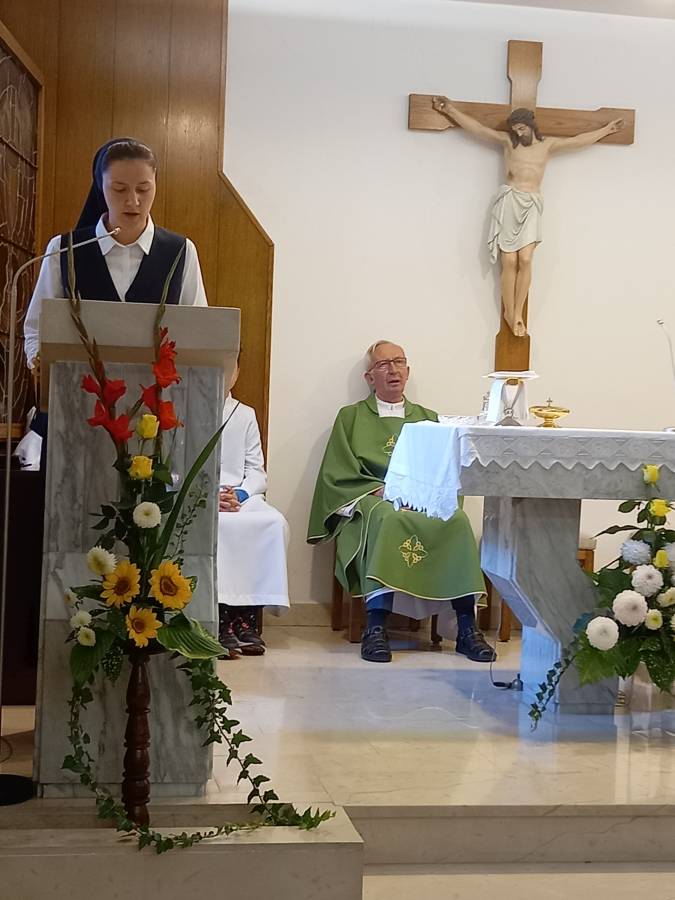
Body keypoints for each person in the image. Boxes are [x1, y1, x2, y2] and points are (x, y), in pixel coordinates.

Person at [307, 340, 494, 664]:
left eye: (399, 362)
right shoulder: (351, 418)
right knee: (388, 518)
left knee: (457, 520)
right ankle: (375, 626)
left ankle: (466, 628)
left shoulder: (429, 420)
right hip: (374, 497)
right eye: (383, 364)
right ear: (370, 377)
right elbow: (338, 474)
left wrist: (423, 496)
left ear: (408, 371)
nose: (393, 370)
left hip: (421, 501)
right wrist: (379, 491)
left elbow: (446, 471)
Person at [22, 137, 208, 462]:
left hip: (152, 418)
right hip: (76, 414)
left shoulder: (180, 252)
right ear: (101, 187)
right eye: (119, 189)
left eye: (144, 189)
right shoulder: (66, 250)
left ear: (156, 185)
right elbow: (37, 329)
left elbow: (198, 332)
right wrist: (43, 367)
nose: (133, 201)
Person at [430, 99, 623, 338]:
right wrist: (450, 109)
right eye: (515, 129)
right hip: (511, 202)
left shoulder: (548, 145)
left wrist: (606, 130)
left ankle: (518, 311)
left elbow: (576, 141)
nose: (518, 133)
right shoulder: (508, 143)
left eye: (521, 128)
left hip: (531, 204)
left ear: (531, 125)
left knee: (526, 258)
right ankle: (510, 313)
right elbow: (479, 129)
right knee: (509, 261)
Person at [217, 359, 290, 658]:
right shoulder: (188, 408)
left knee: (273, 523)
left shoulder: (244, 414)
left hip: (239, 497)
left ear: (237, 372)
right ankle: (220, 617)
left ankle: (246, 617)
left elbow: (256, 470)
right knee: (220, 527)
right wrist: (210, 495)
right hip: (201, 497)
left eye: (231, 367)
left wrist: (240, 494)